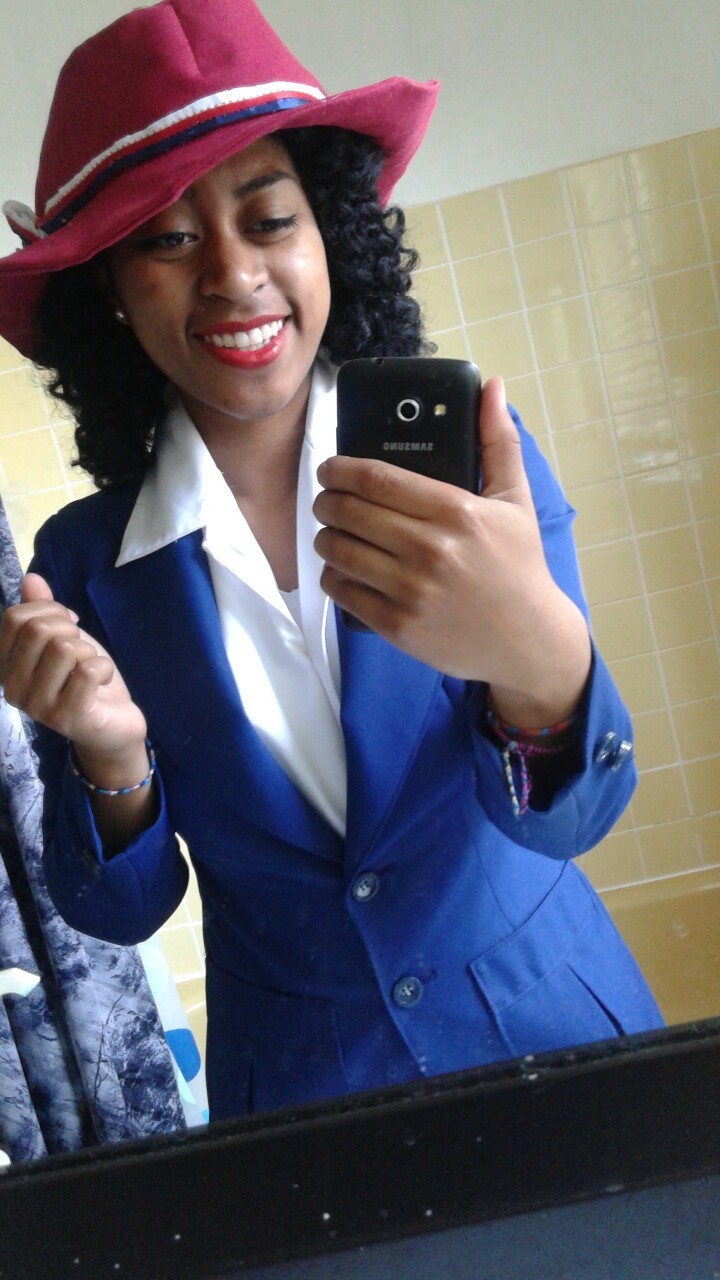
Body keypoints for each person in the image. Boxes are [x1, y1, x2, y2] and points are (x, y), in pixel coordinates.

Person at [0, 0, 662, 1122]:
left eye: (270, 218)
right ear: (108, 290)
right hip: (303, 1104)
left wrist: (540, 658)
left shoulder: (471, 465)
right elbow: (120, 908)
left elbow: (571, 819)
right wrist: (112, 755)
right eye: (168, 240)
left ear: (330, 238)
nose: (232, 274)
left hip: (560, 1041)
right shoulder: (82, 562)